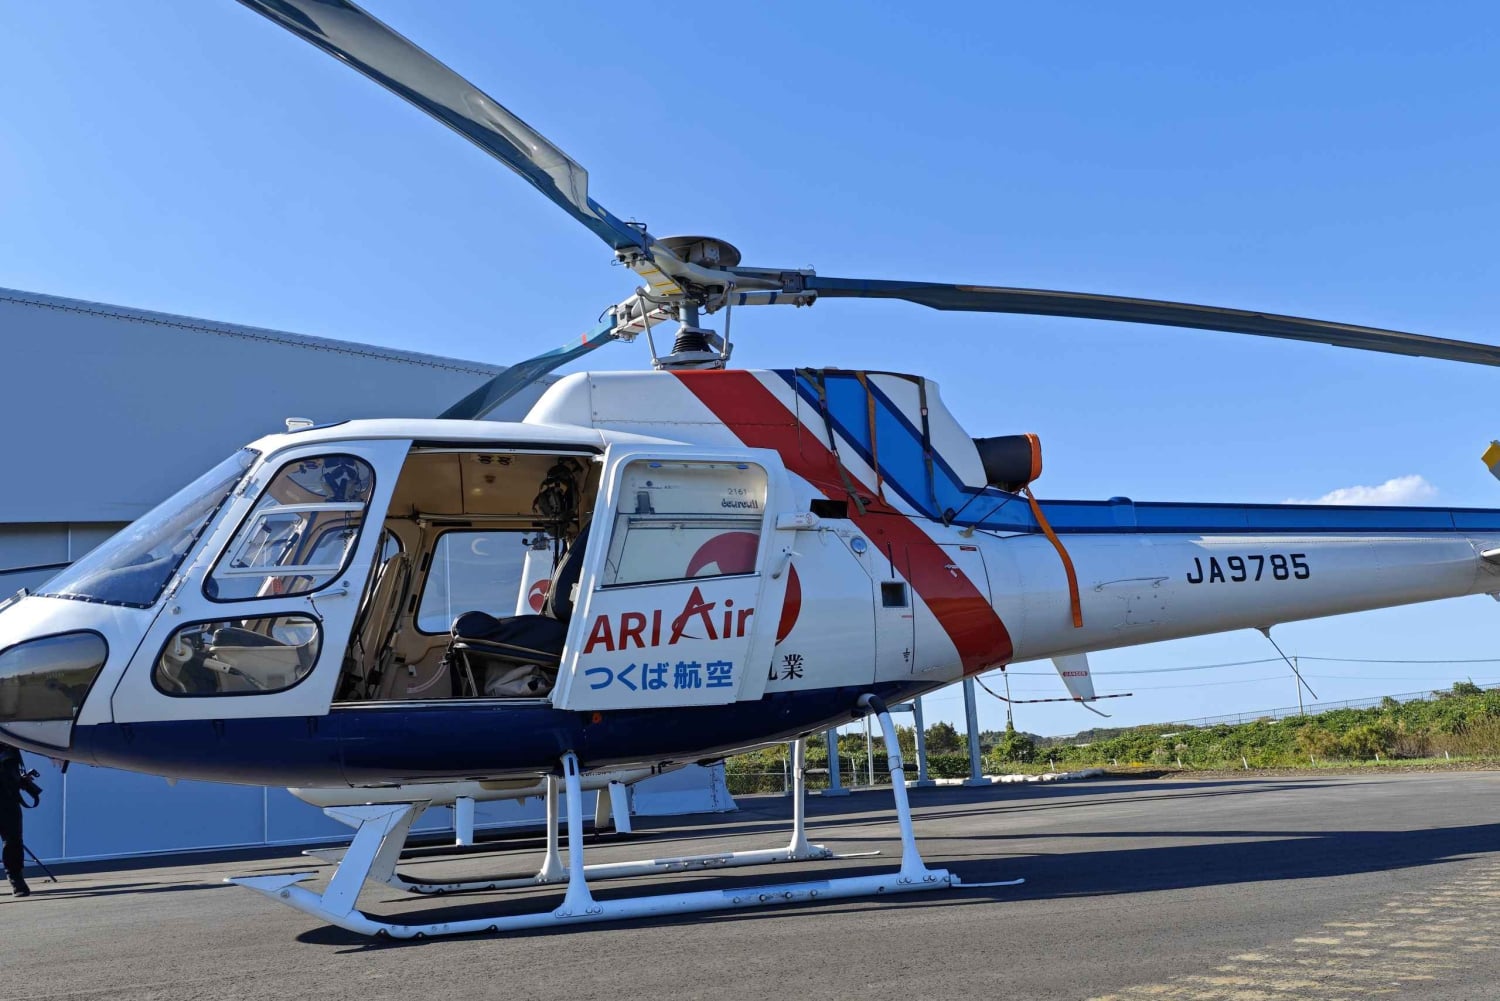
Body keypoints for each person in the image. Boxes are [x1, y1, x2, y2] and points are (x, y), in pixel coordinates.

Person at [0, 740, 35, 897]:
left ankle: (16, 880)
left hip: (8, 798)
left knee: (13, 840)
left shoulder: (10, 740)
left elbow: (12, 769)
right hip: (8, 797)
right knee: (13, 840)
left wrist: (21, 780)